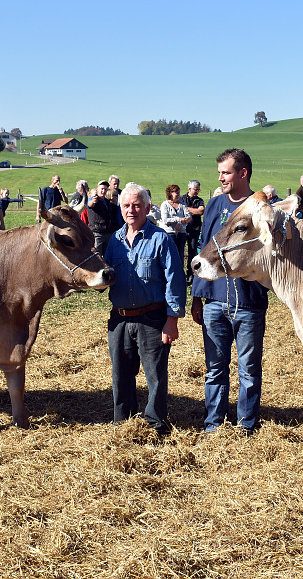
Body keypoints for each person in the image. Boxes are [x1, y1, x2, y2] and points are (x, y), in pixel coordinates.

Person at [191, 148, 268, 434]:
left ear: (243, 173)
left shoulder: (259, 208)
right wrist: (198, 296)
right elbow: (204, 248)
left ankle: (246, 424)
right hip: (214, 300)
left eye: (226, 172)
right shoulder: (213, 206)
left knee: (248, 369)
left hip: (249, 301)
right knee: (214, 368)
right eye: (219, 172)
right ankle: (214, 424)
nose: (220, 177)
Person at [104, 183, 186, 436]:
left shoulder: (160, 239)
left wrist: (171, 320)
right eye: (127, 206)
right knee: (121, 376)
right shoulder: (114, 242)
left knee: (155, 376)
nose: (131, 210)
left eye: (137, 205)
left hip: (152, 318)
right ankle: (124, 423)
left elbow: (176, 279)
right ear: (121, 208)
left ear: (148, 208)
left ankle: (154, 424)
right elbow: (104, 276)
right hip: (119, 320)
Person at [178, 180, 205, 283]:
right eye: (195, 189)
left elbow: (201, 211)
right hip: (182, 230)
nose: (197, 191)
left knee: (192, 252)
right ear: (190, 189)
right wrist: (194, 211)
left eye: (198, 189)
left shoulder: (200, 200)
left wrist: (187, 210)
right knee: (180, 252)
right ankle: (181, 274)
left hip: (195, 229)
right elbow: (180, 211)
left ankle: (191, 274)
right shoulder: (182, 199)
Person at [159, 184, 192, 257]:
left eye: (179, 193)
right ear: (170, 193)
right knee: (170, 254)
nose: (178, 195)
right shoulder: (165, 205)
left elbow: (189, 217)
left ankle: (180, 268)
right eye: (176, 193)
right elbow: (165, 220)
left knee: (180, 254)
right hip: (169, 232)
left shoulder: (182, 204)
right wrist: (178, 219)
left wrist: (183, 222)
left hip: (181, 232)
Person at [87, 179, 118, 255]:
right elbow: (90, 204)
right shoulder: (94, 199)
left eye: (105, 189)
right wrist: (93, 201)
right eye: (102, 189)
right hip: (97, 233)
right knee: (97, 255)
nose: (103, 191)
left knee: (107, 255)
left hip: (108, 232)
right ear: (97, 189)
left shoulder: (107, 202)